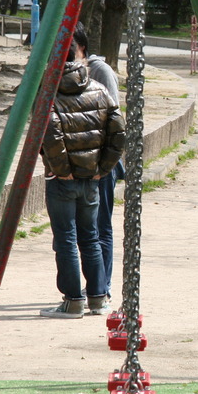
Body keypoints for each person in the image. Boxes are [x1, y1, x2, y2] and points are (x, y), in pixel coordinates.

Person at [39, 36, 125, 319]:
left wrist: (61, 171)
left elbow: (50, 135)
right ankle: (98, 298)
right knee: (90, 236)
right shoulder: (98, 88)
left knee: (65, 238)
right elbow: (118, 132)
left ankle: (73, 300)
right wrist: (103, 167)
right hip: (91, 179)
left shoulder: (49, 93)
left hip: (63, 181)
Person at [70, 22, 124, 300]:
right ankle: (93, 285)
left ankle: (103, 285)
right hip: (75, 161)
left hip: (100, 162)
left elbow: (113, 122)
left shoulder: (100, 71)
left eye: (69, 47)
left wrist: (104, 166)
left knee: (100, 224)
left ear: (81, 46)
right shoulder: (64, 72)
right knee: (81, 229)